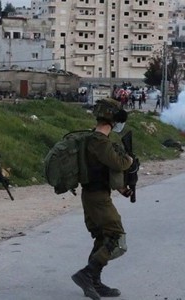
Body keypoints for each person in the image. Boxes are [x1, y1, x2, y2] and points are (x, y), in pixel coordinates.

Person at [71, 99, 135, 300]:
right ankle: (87, 274)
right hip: (96, 197)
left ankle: (95, 282)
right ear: (113, 120)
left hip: (95, 194)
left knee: (102, 237)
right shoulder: (99, 141)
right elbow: (119, 163)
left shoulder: (93, 139)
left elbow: (105, 171)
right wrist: (131, 160)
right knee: (115, 235)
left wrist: (122, 189)